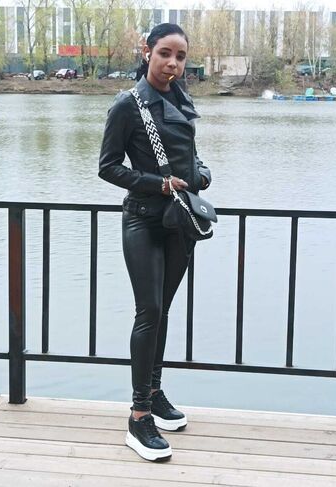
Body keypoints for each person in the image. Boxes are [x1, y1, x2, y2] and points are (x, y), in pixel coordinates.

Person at [98, 23, 211, 461]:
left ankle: (155, 392)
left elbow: (189, 155)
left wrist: (201, 173)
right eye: (165, 53)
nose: (173, 64)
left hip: (178, 222)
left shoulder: (181, 98)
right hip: (144, 220)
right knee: (148, 312)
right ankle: (139, 415)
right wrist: (157, 184)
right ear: (147, 52)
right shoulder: (128, 105)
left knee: (162, 311)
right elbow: (108, 167)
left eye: (180, 57)